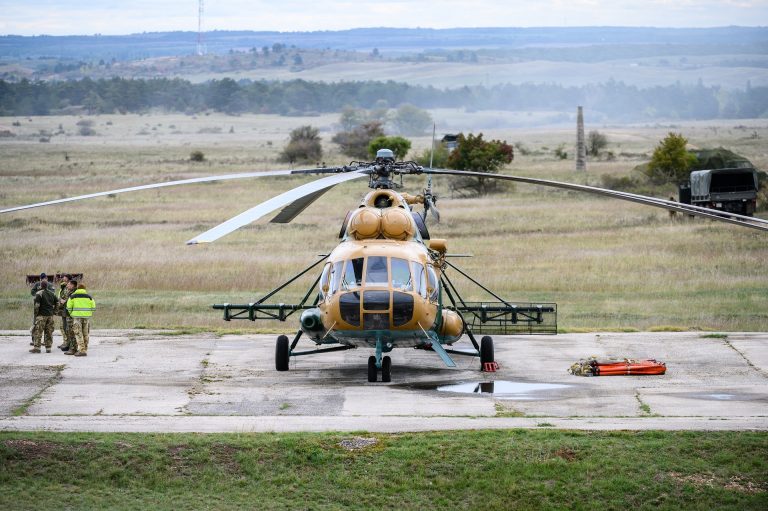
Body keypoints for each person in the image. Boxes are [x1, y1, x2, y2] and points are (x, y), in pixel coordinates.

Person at [66, 282, 95, 357]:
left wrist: (72, 314)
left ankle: (82, 350)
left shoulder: (73, 296)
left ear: (77, 289)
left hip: (77, 318)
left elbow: (68, 307)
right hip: (86, 318)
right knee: (85, 333)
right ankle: (84, 348)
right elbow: (93, 307)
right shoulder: (89, 297)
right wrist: (89, 313)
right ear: (84, 289)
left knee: (78, 334)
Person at [30, 280, 56, 353]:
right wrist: (55, 311)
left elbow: (37, 305)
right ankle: (48, 348)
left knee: (38, 332)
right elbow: (57, 302)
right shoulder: (52, 293)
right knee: (49, 332)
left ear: (40, 286)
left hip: (41, 316)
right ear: (47, 286)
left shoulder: (39, 293)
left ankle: (37, 348)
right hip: (50, 316)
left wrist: (36, 314)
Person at [29, 273, 50, 346]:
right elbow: (32, 292)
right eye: (42, 279)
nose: (43, 280)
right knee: (35, 324)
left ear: (46, 278)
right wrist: (38, 294)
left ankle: (45, 341)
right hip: (38, 306)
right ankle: (34, 340)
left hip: (45, 307)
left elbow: (52, 293)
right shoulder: (37, 284)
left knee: (46, 326)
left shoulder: (49, 285)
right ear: (40, 279)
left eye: (45, 278)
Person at [57, 276, 76, 351]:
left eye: (68, 284)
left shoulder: (73, 291)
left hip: (69, 313)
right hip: (64, 312)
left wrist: (64, 301)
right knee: (65, 328)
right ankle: (67, 344)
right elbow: (62, 297)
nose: (67, 285)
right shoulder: (65, 288)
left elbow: (69, 299)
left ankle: (71, 346)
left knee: (69, 329)